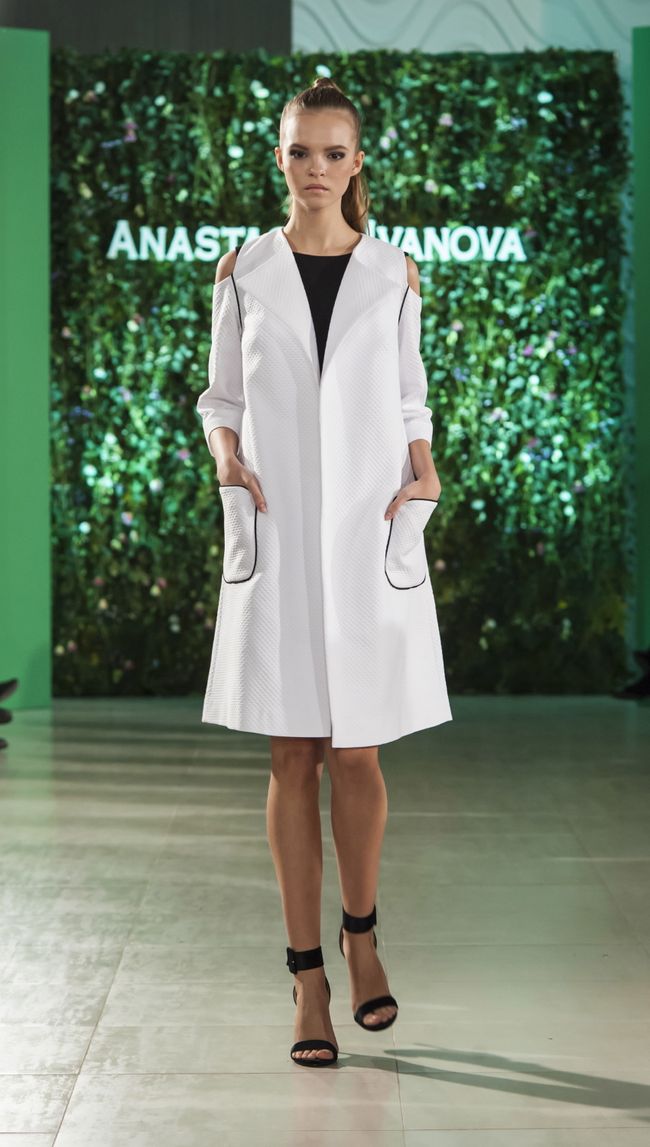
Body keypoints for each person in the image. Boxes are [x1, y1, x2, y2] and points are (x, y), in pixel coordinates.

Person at [196, 77, 452, 1067]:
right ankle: (307, 977)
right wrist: (227, 459)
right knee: (292, 751)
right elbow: (220, 397)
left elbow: (409, 398)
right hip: (276, 528)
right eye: (300, 151)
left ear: (356, 163)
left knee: (358, 753)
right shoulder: (242, 271)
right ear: (279, 156)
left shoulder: (394, 273)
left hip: (363, 532)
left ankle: (362, 936)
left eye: (333, 153)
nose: (316, 169)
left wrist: (423, 466)